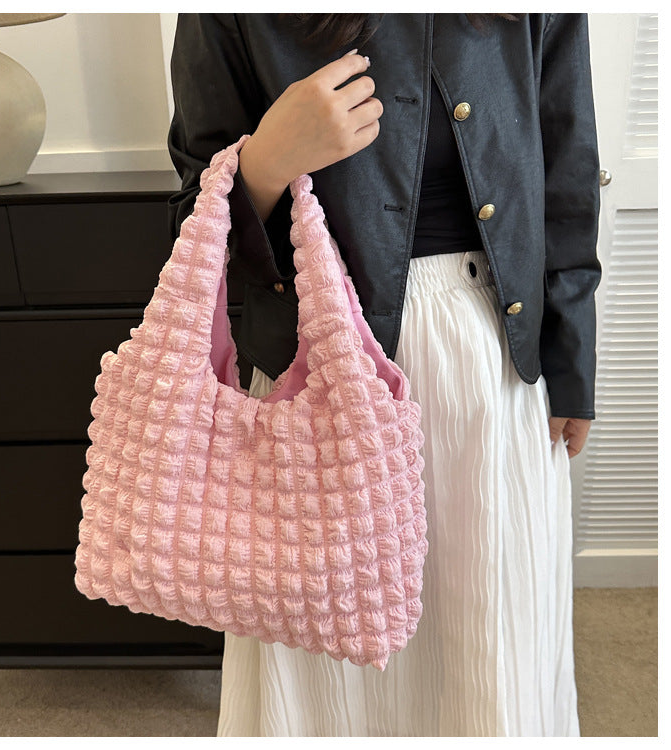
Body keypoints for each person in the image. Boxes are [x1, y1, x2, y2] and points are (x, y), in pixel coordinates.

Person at [167, 12, 601, 737]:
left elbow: (567, 171)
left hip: (492, 362)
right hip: (315, 374)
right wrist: (268, 160)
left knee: (489, 639)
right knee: (320, 660)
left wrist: (571, 358)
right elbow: (194, 222)